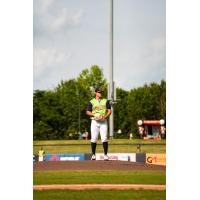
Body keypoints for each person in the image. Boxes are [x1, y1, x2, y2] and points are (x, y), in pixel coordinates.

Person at [86, 87, 112, 161]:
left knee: (104, 138)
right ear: (96, 93)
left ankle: (105, 155)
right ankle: (93, 155)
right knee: (93, 139)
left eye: (101, 92)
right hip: (94, 121)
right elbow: (87, 111)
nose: (100, 93)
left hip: (103, 121)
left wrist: (105, 117)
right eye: (99, 92)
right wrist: (94, 115)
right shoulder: (92, 101)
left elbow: (109, 111)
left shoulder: (106, 101)